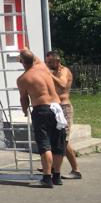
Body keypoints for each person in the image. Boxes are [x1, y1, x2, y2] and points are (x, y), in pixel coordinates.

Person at [16, 49, 68, 188]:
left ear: (22, 62)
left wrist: (25, 111)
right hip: (57, 108)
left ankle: (47, 178)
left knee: (45, 145)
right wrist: (25, 51)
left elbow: (24, 99)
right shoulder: (43, 68)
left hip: (42, 110)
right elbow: (31, 56)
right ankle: (57, 176)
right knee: (58, 143)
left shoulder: (23, 79)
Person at [46, 50, 82, 179]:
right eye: (47, 62)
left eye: (50, 62)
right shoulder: (53, 72)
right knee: (55, 139)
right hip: (55, 107)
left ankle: (76, 170)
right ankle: (51, 167)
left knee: (63, 141)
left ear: (57, 61)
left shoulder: (64, 71)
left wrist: (49, 75)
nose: (48, 65)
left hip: (65, 108)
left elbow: (62, 85)